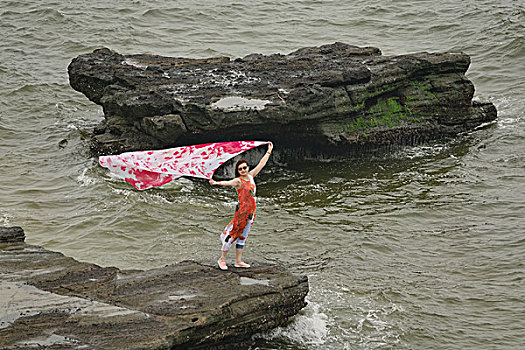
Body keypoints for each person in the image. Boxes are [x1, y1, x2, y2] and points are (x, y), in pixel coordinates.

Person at [209, 142, 273, 270]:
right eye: (240, 169)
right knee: (232, 235)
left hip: (251, 213)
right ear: (238, 171)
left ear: (248, 168)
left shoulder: (251, 176)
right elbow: (227, 183)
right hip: (241, 213)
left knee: (243, 237)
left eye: (245, 167)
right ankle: (222, 259)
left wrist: (268, 151)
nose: (243, 170)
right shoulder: (238, 181)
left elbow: (262, 164)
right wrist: (215, 183)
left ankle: (238, 261)